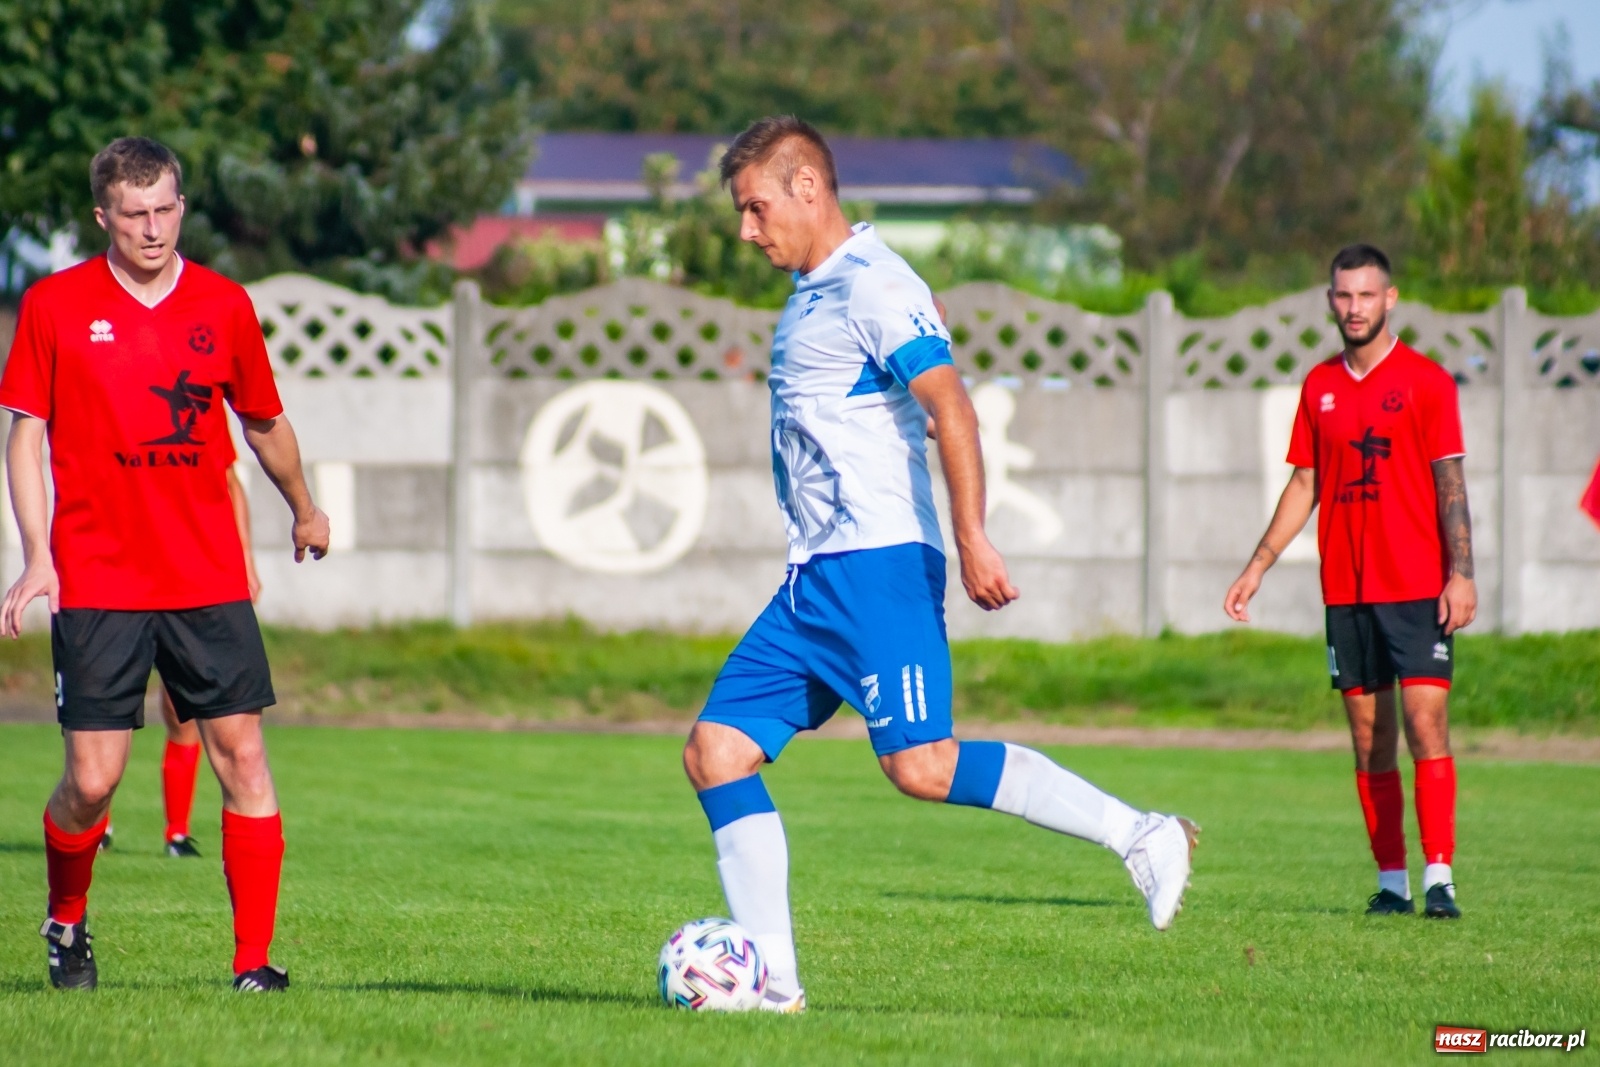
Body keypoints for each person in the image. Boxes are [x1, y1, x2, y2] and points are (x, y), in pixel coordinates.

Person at [681, 116, 1198, 1013]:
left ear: (808, 187)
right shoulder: (816, 290)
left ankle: (1142, 833)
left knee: (922, 765)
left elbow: (950, 404)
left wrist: (972, 537)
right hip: (814, 579)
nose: (746, 230)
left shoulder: (874, 282)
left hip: (879, 564)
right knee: (716, 751)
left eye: (756, 207)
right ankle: (776, 985)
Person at [0, 136, 331, 992]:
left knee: (244, 757)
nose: (152, 228)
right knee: (92, 780)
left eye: (165, 209)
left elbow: (262, 420)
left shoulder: (224, 304)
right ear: (102, 215)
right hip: (98, 577)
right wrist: (37, 557)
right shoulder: (55, 305)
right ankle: (66, 920)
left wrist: (304, 504)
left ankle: (253, 962)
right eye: (134, 213)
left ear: (182, 206)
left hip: (205, 574)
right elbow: (26, 434)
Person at [1223, 243, 1473, 920]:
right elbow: (1305, 482)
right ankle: (1392, 883)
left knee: (1426, 722)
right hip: (1348, 592)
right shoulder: (1319, 386)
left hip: (1419, 587)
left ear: (1390, 299)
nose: (1354, 307)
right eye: (1343, 295)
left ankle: (1440, 877)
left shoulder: (1427, 382)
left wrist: (1462, 574)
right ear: (1330, 301)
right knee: (1370, 739)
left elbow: (1450, 484)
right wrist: (1257, 565)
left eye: (1366, 294)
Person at [98, 461, 261, 858]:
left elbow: (229, 482)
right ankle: (97, 825)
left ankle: (177, 834)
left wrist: (245, 560)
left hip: (186, 580)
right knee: (107, 713)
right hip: (119, 579)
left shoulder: (195, 425)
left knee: (181, 707)